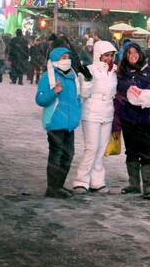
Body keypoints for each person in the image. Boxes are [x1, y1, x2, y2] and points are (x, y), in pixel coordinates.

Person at [115, 43, 150, 200]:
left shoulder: (149, 72)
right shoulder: (121, 73)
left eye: (135, 52)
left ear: (140, 54)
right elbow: (116, 94)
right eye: (130, 53)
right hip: (127, 117)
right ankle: (134, 184)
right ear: (126, 56)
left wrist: (147, 100)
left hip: (144, 119)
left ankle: (148, 186)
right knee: (130, 151)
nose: (133, 55)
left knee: (145, 151)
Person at [35, 47, 82, 199]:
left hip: (69, 123)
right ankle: (52, 187)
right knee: (57, 154)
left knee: (68, 156)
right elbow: (40, 100)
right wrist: (54, 91)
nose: (66, 59)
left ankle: (59, 185)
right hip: (55, 122)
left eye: (68, 56)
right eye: (63, 57)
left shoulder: (72, 76)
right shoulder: (48, 77)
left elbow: (78, 98)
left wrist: (77, 114)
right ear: (55, 59)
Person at [72, 41, 118, 195]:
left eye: (111, 55)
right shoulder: (89, 70)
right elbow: (84, 95)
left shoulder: (113, 72)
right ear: (99, 55)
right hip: (91, 113)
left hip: (107, 112)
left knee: (101, 149)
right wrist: (87, 80)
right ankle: (81, 180)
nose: (109, 58)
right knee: (91, 148)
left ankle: (97, 181)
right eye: (106, 55)